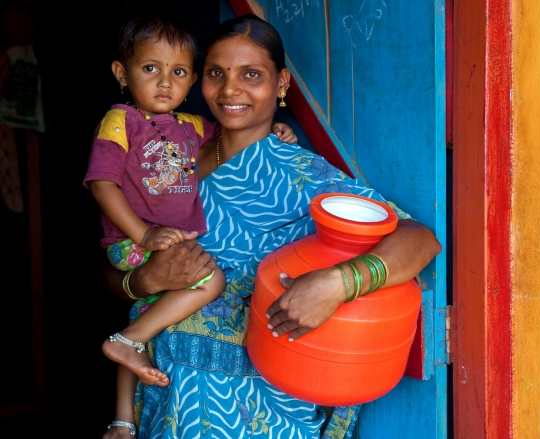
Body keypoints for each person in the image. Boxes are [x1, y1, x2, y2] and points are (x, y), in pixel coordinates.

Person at [102, 14, 442, 439]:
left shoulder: (302, 176)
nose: (230, 89)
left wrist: (337, 283)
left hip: (255, 415)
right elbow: (117, 269)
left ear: (281, 84)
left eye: (251, 75)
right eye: (215, 74)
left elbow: (418, 239)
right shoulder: (171, 160)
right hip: (163, 400)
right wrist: (145, 279)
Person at [84, 17, 297, 439]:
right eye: (151, 69)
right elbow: (101, 183)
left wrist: (275, 129)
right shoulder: (123, 120)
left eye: (178, 72)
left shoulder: (190, 129)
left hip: (252, 396)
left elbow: (240, 127)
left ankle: (122, 421)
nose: (165, 82)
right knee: (198, 286)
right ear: (121, 74)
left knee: (141, 323)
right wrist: (143, 243)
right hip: (140, 243)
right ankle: (124, 383)